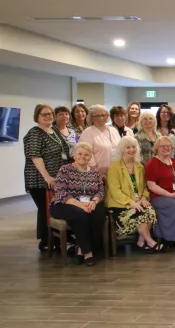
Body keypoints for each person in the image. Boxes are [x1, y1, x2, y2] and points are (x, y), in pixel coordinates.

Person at [49, 142, 106, 266]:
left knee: (100, 213)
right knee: (80, 214)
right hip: (63, 204)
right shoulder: (65, 169)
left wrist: (94, 201)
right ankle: (88, 252)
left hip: (88, 204)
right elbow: (61, 192)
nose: (83, 157)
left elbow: (101, 191)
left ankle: (80, 248)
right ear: (74, 155)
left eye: (86, 154)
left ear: (91, 157)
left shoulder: (94, 172)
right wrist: (79, 204)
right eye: (79, 153)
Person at [24, 104, 70, 251]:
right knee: (45, 209)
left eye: (50, 113)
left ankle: (54, 240)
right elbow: (35, 156)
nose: (48, 116)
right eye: (44, 114)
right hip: (39, 179)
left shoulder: (54, 130)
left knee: (52, 208)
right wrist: (47, 177)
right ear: (37, 116)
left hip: (57, 178)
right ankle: (46, 242)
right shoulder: (35, 133)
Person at [106, 136, 161, 252]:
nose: (131, 150)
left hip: (138, 201)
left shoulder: (140, 166)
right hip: (120, 204)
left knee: (149, 210)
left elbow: (145, 187)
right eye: (127, 147)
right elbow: (114, 191)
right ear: (122, 149)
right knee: (140, 214)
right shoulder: (114, 167)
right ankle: (150, 241)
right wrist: (131, 202)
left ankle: (141, 241)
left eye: (133, 147)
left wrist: (144, 198)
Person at [79, 104, 121, 175]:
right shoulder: (88, 132)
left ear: (107, 116)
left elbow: (121, 147)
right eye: (97, 116)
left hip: (116, 172)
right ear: (92, 118)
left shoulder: (113, 130)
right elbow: (85, 154)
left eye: (103, 115)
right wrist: (96, 171)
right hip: (97, 174)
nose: (101, 118)